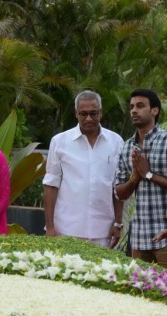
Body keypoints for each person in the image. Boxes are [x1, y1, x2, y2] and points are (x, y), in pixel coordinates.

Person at [115, 89, 167, 269]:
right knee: (139, 292)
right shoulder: (126, 148)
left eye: (140, 106)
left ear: (154, 111)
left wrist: (149, 175)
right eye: (132, 107)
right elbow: (119, 193)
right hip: (139, 241)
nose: (134, 110)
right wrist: (134, 179)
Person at [43, 90, 125, 247]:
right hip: (66, 230)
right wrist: (50, 227)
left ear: (100, 113)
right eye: (83, 114)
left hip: (104, 232)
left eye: (93, 113)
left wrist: (118, 223)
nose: (89, 118)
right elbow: (51, 185)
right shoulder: (60, 142)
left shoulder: (116, 142)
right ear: (76, 114)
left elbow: (117, 187)